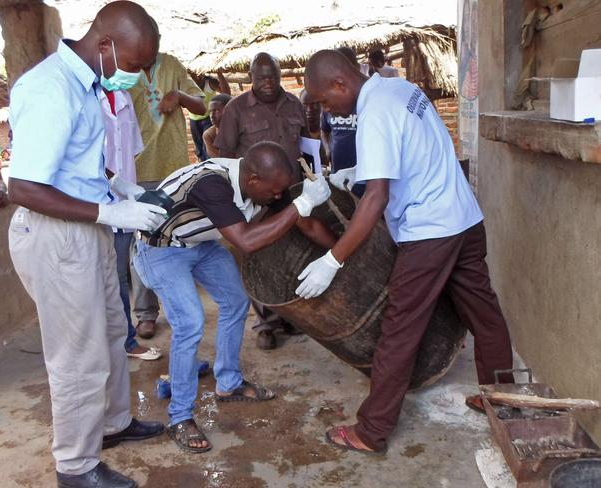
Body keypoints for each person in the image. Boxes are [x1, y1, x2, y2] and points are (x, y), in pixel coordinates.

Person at [300, 50, 513, 454]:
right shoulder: (398, 88)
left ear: (341, 84)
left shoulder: (374, 113)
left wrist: (333, 259)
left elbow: (376, 197)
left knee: (399, 330)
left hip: (429, 232)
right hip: (463, 217)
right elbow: (411, 154)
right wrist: (354, 173)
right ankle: (503, 402)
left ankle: (371, 430)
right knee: (485, 316)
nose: (328, 110)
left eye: (326, 101)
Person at [7, 3, 166, 487]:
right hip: (58, 235)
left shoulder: (86, 84)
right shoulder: (50, 88)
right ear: (105, 46)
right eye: (135, 65)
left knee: (113, 334)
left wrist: (117, 189)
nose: (138, 77)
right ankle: (75, 467)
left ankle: (114, 425)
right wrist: (108, 211)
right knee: (78, 355)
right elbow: (24, 187)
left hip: (88, 227)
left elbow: (75, 168)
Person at [132, 141, 335, 453]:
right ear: (253, 181)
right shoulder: (213, 183)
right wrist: (301, 203)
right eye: (275, 193)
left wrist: (339, 257)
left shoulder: (266, 185)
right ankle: (180, 417)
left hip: (199, 241)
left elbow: (304, 222)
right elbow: (246, 241)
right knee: (190, 323)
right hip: (161, 247)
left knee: (236, 302)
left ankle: (228, 384)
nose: (279, 198)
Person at [215, 52, 308, 350]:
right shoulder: (236, 109)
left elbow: (306, 144)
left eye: (273, 76)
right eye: (260, 77)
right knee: (261, 260)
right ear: (251, 77)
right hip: (257, 199)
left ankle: (292, 315)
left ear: (281, 75)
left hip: (294, 192)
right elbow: (225, 156)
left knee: (294, 253)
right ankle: (267, 323)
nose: (267, 82)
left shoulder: (294, 104)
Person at [128, 29, 207, 341]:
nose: (151, 48)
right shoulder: (121, 72)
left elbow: (202, 107)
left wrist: (181, 97)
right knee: (143, 245)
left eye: (154, 41)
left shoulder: (172, 65)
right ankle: (146, 314)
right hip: (137, 171)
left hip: (175, 170)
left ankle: (181, 309)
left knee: (179, 239)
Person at [99, 86, 161, 361]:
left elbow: (130, 151)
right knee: (114, 277)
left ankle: (125, 338)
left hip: (124, 200)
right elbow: (93, 160)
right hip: (99, 206)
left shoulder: (123, 98)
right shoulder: (86, 100)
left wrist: (124, 186)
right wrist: (113, 185)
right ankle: (124, 339)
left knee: (124, 273)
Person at [320, 47, 365, 197]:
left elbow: (378, 195)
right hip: (339, 173)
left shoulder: (368, 105)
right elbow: (324, 130)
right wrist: (327, 148)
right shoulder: (330, 106)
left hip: (366, 176)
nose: (326, 108)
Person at [190, 71, 231, 161]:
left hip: (207, 118)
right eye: (192, 75)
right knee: (199, 149)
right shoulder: (189, 83)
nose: (196, 78)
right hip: (193, 120)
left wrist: (219, 73)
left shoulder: (209, 83)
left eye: (198, 75)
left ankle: (211, 163)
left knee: (208, 144)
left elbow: (226, 93)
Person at [202, 93, 232, 159]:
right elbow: (220, 161)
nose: (212, 116)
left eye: (217, 111)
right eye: (210, 111)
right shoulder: (209, 135)